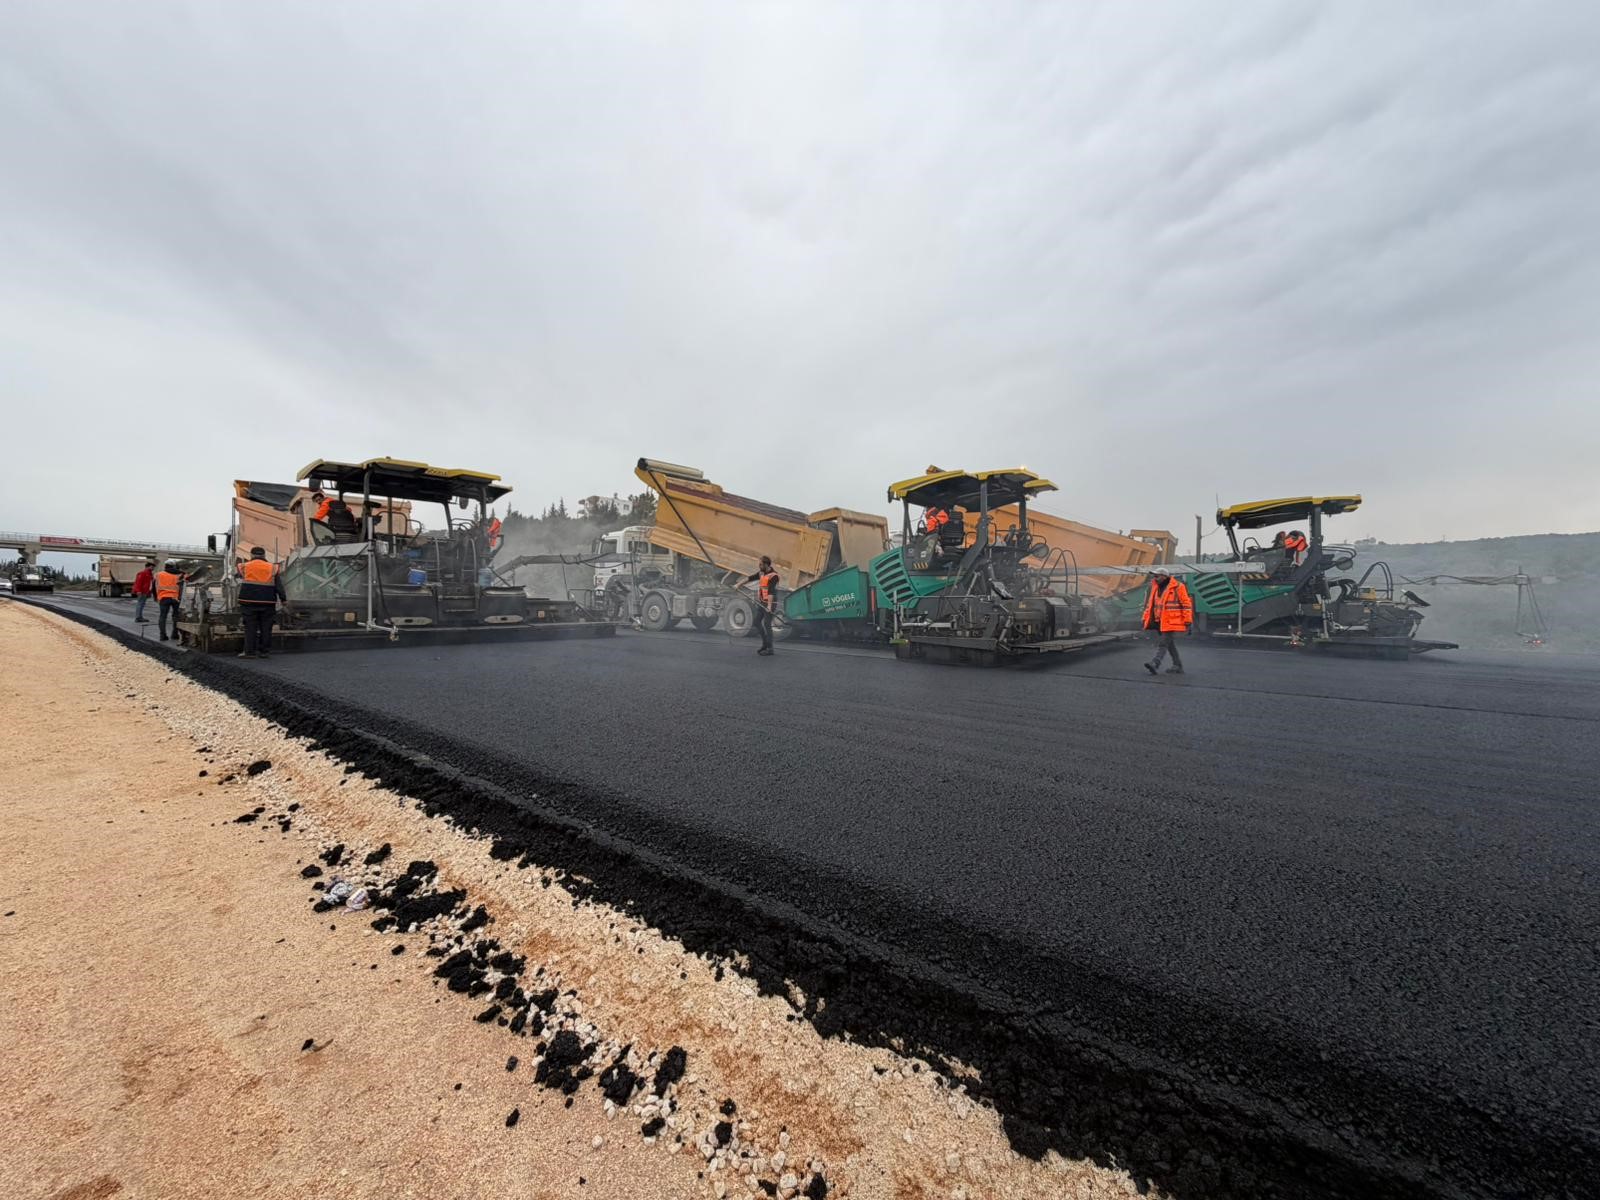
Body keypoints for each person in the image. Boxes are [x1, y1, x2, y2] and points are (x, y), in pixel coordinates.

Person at [1141, 568, 1194, 676]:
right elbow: (1150, 605)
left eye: (1156, 576)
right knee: (1170, 644)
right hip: (1160, 621)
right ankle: (1177, 665)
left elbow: (1186, 604)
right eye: (1154, 576)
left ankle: (1155, 663)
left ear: (1164, 576)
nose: (1154, 578)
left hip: (1172, 621)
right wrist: (1145, 618)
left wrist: (1187, 620)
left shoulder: (1178, 587)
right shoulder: (1155, 587)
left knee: (1164, 642)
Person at [235, 547, 285, 659]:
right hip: (268, 602)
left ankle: (249, 652)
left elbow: (238, 579)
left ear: (251, 555)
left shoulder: (244, 566)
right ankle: (264, 652)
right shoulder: (272, 567)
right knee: (266, 628)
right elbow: (279, 586)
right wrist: (284, 599)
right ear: (264, 555)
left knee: (250, 627)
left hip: (248, 602)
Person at [743, 555, 780, 656]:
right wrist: (738, 584)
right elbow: (750, 578)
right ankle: (765, 644)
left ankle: (770, 648)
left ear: (766, 564)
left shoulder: (774, 576)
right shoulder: (761, 573)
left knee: (767, 624)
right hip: (762, 601)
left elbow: (771, 592)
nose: (759, 566)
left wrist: (769, 606)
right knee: (756, 622)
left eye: (760, 564)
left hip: (770, 603)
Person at [155, 561, 185, 643]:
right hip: (175, 598)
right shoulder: (179, 574)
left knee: (162, 617)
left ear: (165, 566)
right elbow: (188, 579)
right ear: (174, 566)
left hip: (163, 597)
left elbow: (154, 586)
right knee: (176, 616)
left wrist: (156, 598)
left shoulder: (159, 574)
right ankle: (175, 634)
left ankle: (162, 636)